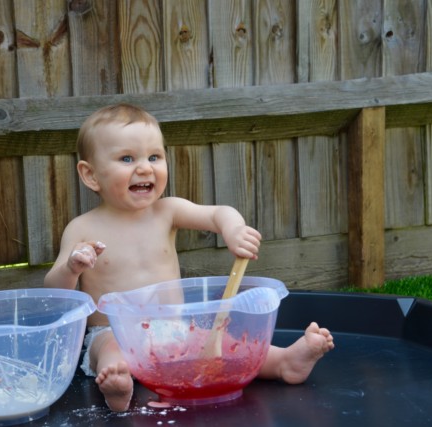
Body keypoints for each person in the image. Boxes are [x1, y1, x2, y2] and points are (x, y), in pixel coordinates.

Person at [44, 103, 335, 412]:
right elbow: (55, 291)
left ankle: (284, 362)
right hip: (115, 333)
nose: (145, 168)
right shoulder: (82, 228)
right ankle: (118, 387)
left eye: (154, 157)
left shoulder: (167, 211)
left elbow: (218, 213)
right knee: (111, 351)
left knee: (222, 345)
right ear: (90, 175)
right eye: (127, 158)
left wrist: (232, 229)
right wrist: (72, 266)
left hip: (174, 328)